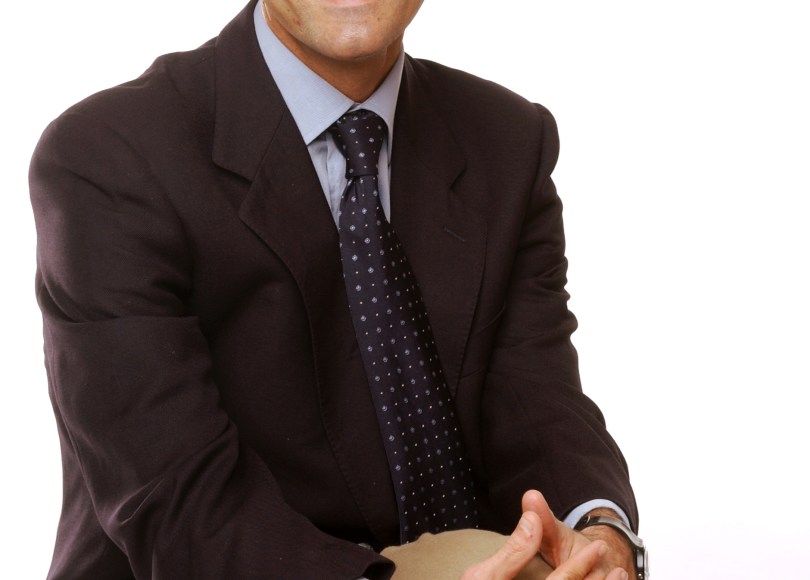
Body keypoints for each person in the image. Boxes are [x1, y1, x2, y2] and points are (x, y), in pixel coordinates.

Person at [29, 0, 643, 578]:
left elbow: (538, 399)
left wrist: (599, 537)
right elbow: (179, 503)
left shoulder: (507, 138)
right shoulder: (108, 157)